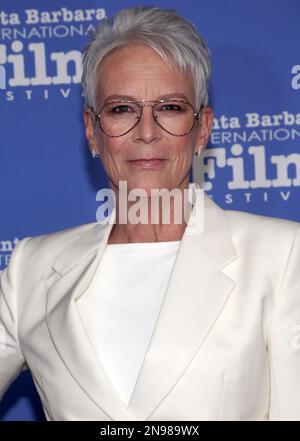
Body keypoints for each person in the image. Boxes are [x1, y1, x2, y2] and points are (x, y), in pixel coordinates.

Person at [0, 6, 300, 421]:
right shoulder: (31, 269)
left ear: (203, 129)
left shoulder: (282, 256)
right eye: (122, 109)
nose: (146, 131)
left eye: (170, 108)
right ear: (92, 129)